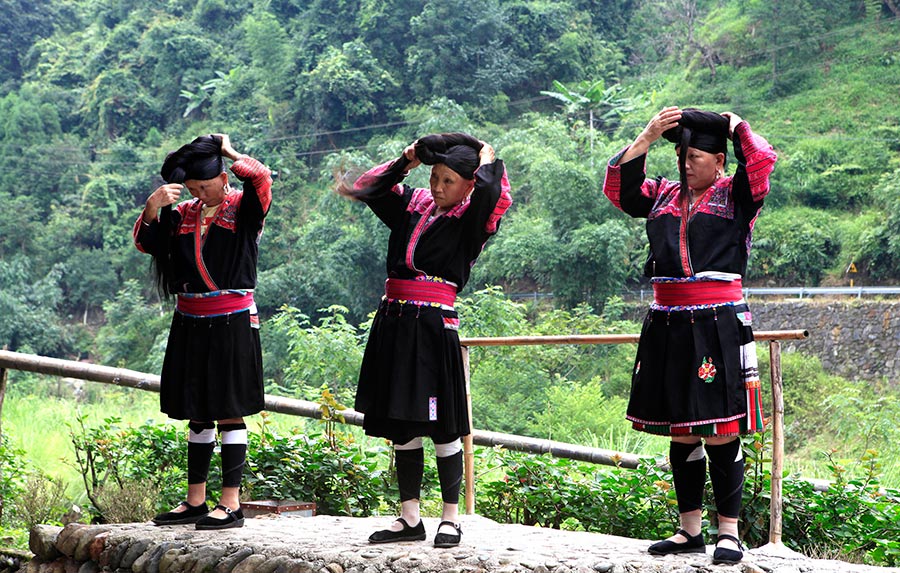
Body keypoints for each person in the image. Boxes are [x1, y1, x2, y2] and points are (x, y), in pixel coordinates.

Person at [602, 107, 776, 564]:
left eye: (696, 155)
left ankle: (729, 534)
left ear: (720, 160)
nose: (685, 162)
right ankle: (688, 530)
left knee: (718, 430)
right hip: (668, 322)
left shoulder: (737, 195)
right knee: (682, 432)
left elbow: (760, 163)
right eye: (680, 154)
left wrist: (737, 126)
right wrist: (645, 137)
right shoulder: (661, 194)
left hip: (717, 320)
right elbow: (618, 189)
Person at [343, 132, 511, 548]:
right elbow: (367, 187)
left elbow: (495, 191)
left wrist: (488, 157)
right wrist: (406, 160)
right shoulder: (413, 205)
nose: (437, 187)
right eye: (434, 176)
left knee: (441, 424)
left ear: (470, 184)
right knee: (402, 423)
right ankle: (409, 518)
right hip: (395, 324)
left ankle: (450, 520)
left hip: (434, 329)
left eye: (449, 181)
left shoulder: (476, 218)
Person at [133, 134, 273, 530]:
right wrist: (153, 208)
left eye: (205, 186)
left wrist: (227, 149)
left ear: (224, 177)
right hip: (190, 321)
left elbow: (260, 178)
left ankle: (231, 503)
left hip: (231, 320)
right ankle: (196, 499)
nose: (199, 193)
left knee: (228, 409)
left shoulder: (246, 208)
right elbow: (147, 243)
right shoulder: (183, 215)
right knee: (197, 412)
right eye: (193, 189)